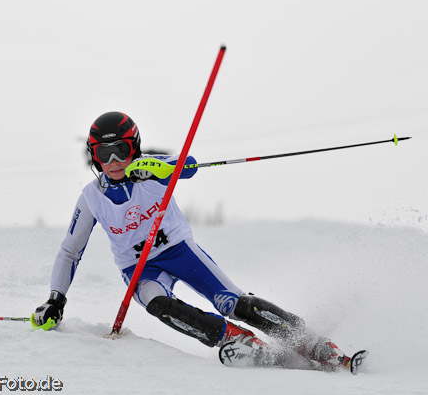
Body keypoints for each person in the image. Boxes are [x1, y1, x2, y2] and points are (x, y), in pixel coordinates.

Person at [33, 111, 352, 371]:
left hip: (178, 250)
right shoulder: (91, 197)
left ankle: (311, 342)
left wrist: (157, 169)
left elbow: (190, 165)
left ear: (136, 148)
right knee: (157, 303)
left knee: (232, 302)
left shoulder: (151, 170)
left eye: (123, 150)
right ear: (94, 156)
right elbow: (70, 249)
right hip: (139, 269)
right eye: (105, 153)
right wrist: (56, 298)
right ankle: (234, 339)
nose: (115, 160)